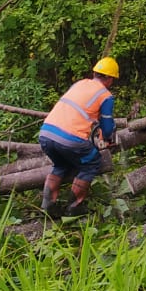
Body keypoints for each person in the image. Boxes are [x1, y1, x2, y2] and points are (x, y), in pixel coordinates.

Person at [39, 57, 119, 218]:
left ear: (95, 73)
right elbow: (107, 125)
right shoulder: (105, 96)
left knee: (61, 164)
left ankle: (48, 205)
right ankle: (74, 207)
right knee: (92, 163)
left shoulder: (80, 84)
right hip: (70, 139)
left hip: (46, 134)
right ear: (110, 78)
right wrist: (109, 139)